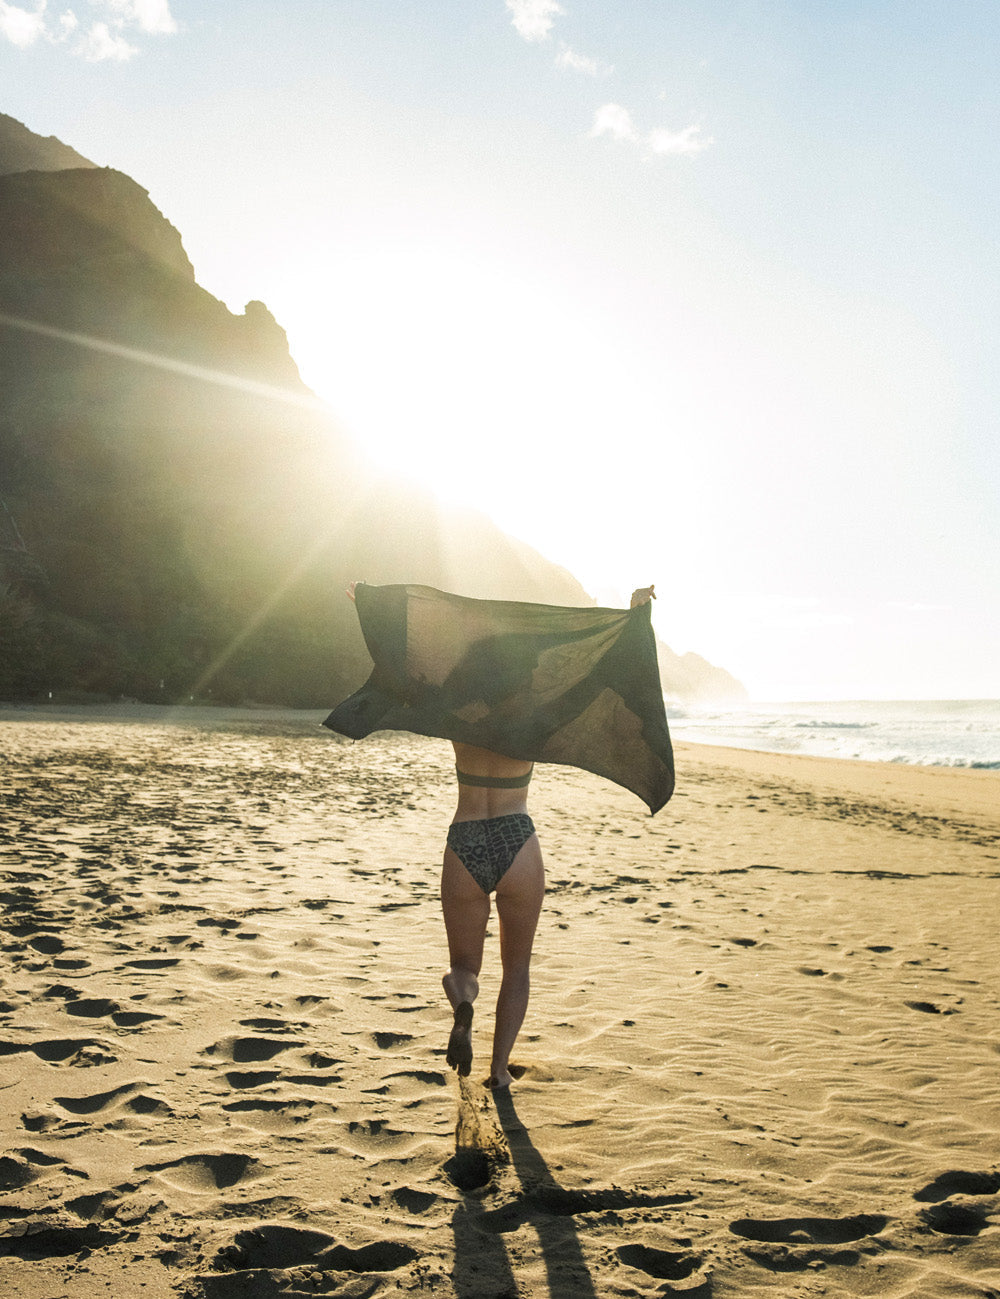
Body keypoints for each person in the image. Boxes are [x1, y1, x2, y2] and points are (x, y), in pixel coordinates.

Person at [347, 582, 656, 1089]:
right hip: (518, 840)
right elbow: (597, 678)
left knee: (462, 967)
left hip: (464, 838)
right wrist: (633, 618)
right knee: (517, 970)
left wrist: (373, 608)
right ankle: (497, 1072)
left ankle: (463, 1006)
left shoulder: (455, 714)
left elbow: (408, 673)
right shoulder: (533, 718)